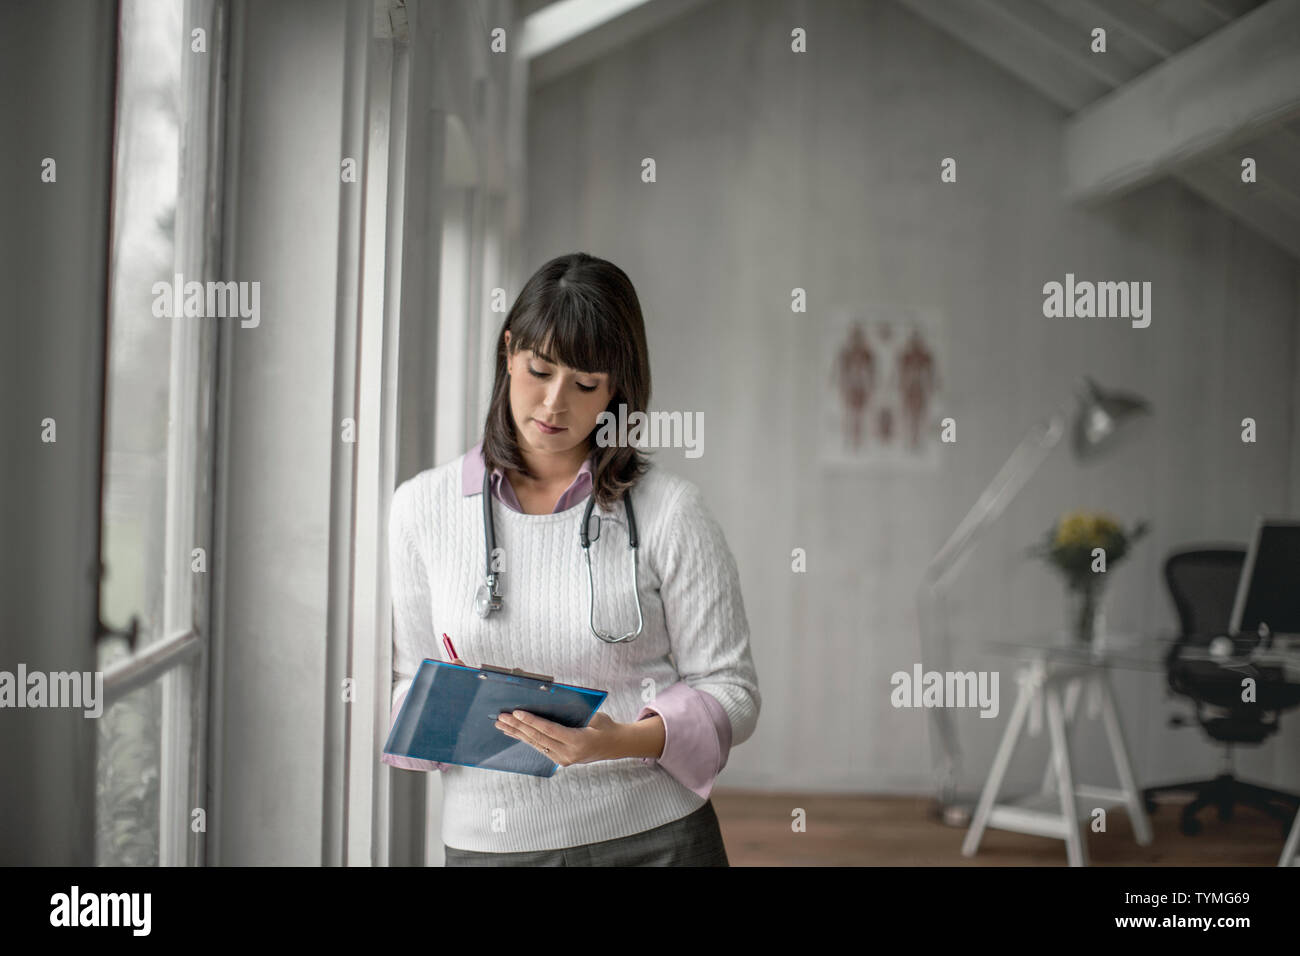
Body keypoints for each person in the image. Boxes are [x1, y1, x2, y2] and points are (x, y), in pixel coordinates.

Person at [383, 252, 760, 866]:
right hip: (494, 846)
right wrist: (448, 711)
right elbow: (407, 684)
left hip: (655, 837)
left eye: (585, 384)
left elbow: (732, 691)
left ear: (616, 391)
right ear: (509, 353)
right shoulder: (419, 509)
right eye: (539, 370)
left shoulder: (672, 512)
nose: (555, 404)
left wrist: (623, 740)